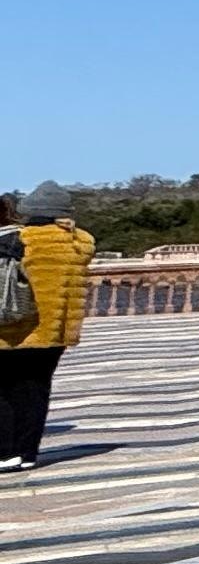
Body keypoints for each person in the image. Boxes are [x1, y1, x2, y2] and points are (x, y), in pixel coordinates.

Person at [0, 193, 98, 468]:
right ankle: (28, 452)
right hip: (55, 332)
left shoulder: (19, 239)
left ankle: (6, 452)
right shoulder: (80, 242)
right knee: (37, 389)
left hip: (15, 328)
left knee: (6, 391)